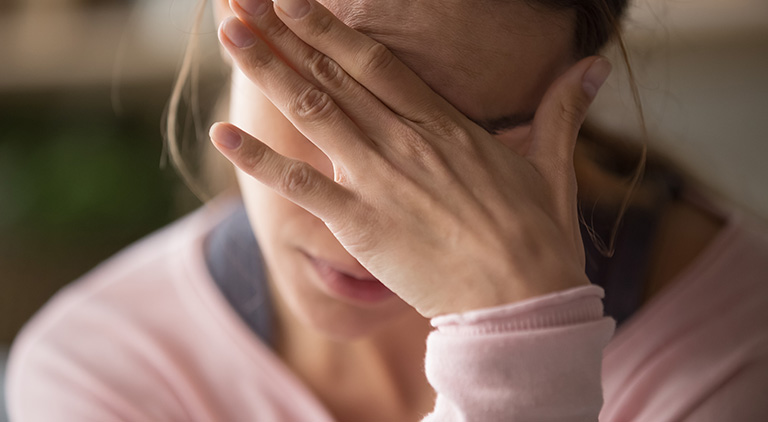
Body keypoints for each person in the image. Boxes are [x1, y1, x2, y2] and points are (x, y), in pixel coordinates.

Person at [6, 0, 768, 420]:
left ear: (571, 92)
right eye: (332, 100)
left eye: (464, 142)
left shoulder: (735, 346)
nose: (363, 215)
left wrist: (518, 349)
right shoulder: (100, 371)